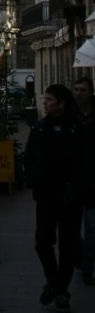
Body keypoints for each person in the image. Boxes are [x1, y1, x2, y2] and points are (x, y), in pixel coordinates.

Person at [24, 84, 86, 313]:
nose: (45, 102)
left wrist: (78, 188)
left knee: (68, 245)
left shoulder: (78, 129)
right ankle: (57, 284)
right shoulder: (40, 129)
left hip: (70, 197)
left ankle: (59, 289)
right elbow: (29, 157)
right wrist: (32, 181)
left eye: (50, 99)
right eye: (45, 98)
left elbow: (86, 163)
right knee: (43, 241)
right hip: (46, 196)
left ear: (61, 103)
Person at [74, 77, 95, 285]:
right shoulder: (70, 116)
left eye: (83, 90)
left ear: (90, 92)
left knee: (91, 229)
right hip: (72, 182)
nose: (79, 93)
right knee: (71, 231)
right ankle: (80, 260)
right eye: (76, 90)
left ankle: (87, 268)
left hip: (92, 183)